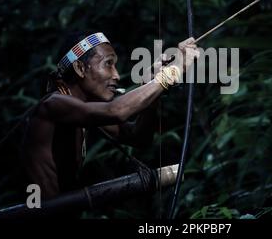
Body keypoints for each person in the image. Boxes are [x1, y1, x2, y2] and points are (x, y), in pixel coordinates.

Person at [20, 31, 199, 200]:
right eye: (108, 64)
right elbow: (117, 111)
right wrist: (172, 72)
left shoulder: (84, 110)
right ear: (80, 68)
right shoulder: (53, 105)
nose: (117, 75)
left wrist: (151, 87)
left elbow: (139, 138)